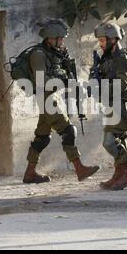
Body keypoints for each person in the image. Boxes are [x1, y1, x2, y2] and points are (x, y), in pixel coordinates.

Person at [23, 19, 100, 184]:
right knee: (68, 131)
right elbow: (41, 80)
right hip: (46, 98)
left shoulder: (53, 52)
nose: (62, 41)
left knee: (42, 137)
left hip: (52, 96)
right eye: (59, 38)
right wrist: (63, 79)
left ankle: (30, 173)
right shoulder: (38, 54)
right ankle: (80, 168)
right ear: (50, 38)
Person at [93, 22, 127, 190]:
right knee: (119, 140)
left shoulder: (122, 58)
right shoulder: (108, 58)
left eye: (103, 40)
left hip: (121, 104)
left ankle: (126, 173)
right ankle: (120, 175)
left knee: (109, 142)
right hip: (112, 103)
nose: (101, 44)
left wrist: (101, 88)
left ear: (113, 39)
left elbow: (122, 84)